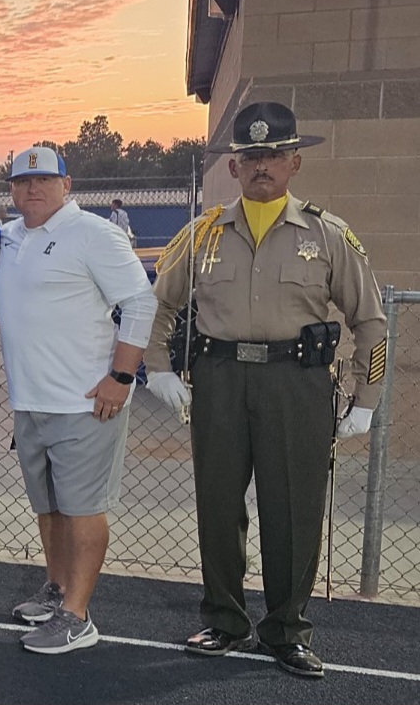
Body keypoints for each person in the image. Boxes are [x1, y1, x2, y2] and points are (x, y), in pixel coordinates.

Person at [143, 101, 386, 679]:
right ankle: (225, 619)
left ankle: (286, 630)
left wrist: (366, 398)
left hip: (296, 384)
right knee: (219, 506)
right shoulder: (199, 235)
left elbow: (371, 320)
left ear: (293, 163)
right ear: (233, 167)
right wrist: (158, 366)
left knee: (294, 510)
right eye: (250, 156)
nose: (261, 166)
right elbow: (160, 303)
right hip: (220, 381)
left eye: (273, 155)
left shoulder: (329, 235)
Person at [0, 145, 156, 654]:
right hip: (31, 399)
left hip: (85, 402)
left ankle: (78, 616)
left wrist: (121, 377)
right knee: (50, 507)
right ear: (13, 190)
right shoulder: (12, 236)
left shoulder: (94, 234)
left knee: (83, 509)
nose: (33, 189)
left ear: (67, 185)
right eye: (22, 182)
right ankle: (58, 588)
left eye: (44, 181)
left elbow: (140, 302)